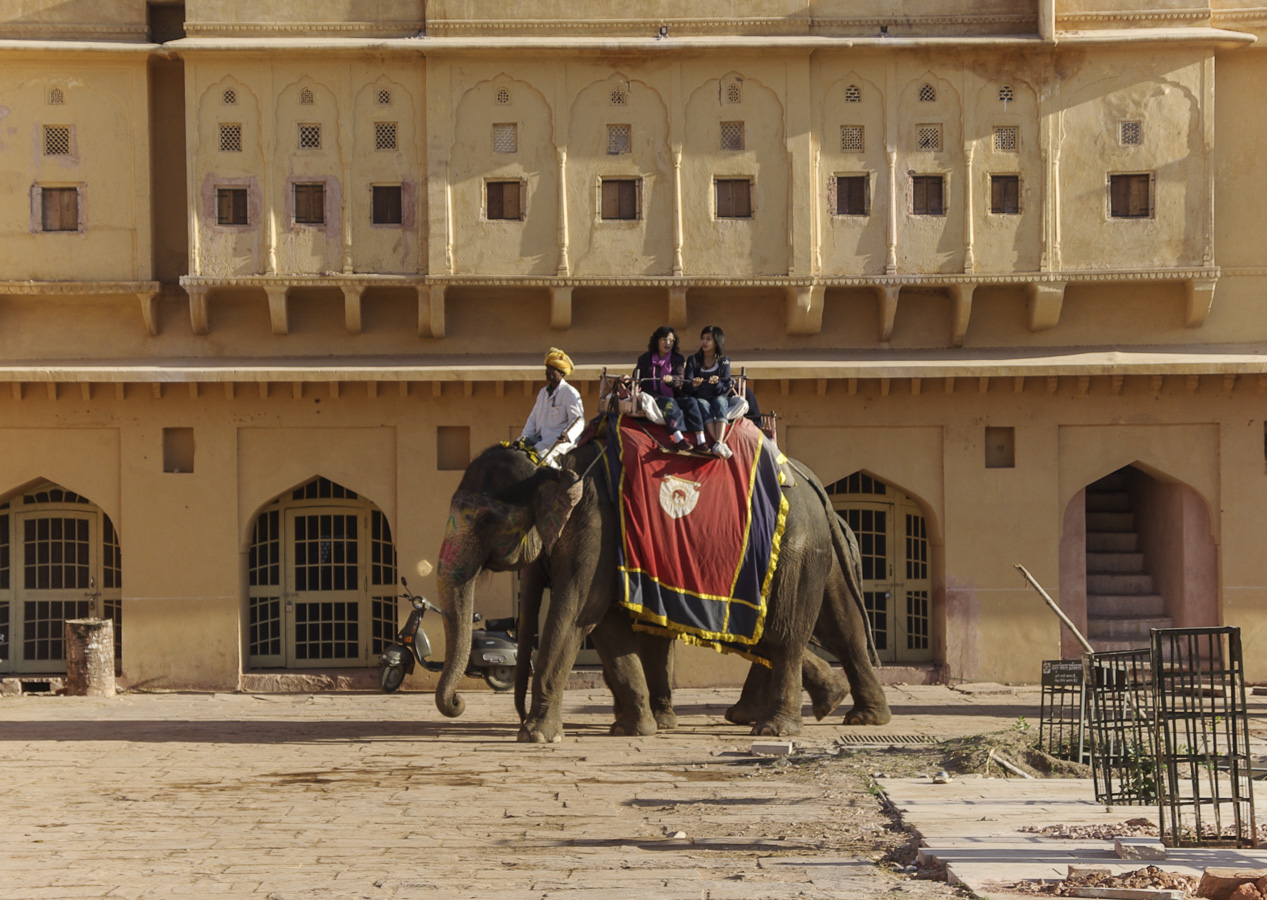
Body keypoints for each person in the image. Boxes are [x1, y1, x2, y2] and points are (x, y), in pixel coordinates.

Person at [516, 347, 584, 467]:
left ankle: (558, 479)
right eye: (547, 368)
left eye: (552, 368)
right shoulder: (543, 393)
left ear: (562, 373)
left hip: (559, 440)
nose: (547, 371)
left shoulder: (570, 393)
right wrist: (523, 439)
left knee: (541, 454)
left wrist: (567, 435)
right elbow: (533, 419)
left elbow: (579, 421)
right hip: (541, 439)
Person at [633, 326, 693, 451]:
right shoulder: (644, 359)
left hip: (675, 394)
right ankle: (678, 438)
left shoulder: (678, 359)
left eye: (671, 340)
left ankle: (701, 439)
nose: (668, 343)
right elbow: (636, 379)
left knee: (692, 402)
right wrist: (626, 379)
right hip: (653, 396)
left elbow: (680, 379)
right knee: (669, 403)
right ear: (657, 341)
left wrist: (672, 380)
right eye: (664, 339)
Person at [683, 324, 733, 458]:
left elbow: (726, 386)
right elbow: (686, 385)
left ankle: (718, 442)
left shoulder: (724, 361)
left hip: (717, 394)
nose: (704, 342)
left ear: (717, 341)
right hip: (701, 395)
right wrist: (694, 384)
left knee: (721, 402)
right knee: (703, 405)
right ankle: (719, 443)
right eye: (703, 338)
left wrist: (717, 383)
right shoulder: (693, 360)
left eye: (708, 339)